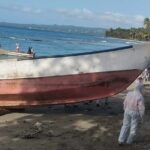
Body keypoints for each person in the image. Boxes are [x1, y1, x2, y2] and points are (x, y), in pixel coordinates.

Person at [118, 77, 145, 145]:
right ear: (141, 88)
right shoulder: (140, 96)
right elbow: (141, 109)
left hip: (127, 110)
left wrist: (125, 110)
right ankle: (129, 141)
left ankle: (121, 140)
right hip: (135, 112)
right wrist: (142, 117)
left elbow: (125, 103)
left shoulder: (129, 93)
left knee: (125, 125)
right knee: (133, 127)